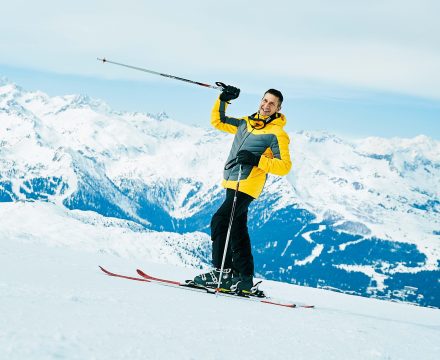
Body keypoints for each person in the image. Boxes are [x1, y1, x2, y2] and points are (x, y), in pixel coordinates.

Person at [193, 84, 292, 294]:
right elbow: (218, 121)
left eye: (272, 104)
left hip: (248, 184)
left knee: (220, 221)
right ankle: (244, 278)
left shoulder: (276, 134)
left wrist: (257, 160)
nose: (266, 105)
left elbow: (284, 166)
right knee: (237, 230)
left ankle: (221, 272)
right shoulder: (245, 123)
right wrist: (224, 99)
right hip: (232, 181)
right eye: (265, 100)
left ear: (278, 109)